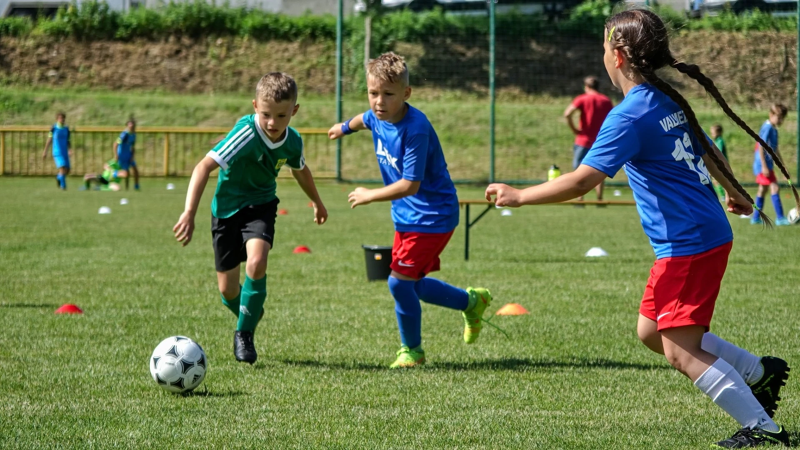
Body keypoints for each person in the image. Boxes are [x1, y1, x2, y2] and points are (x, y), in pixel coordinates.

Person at [485, 10, 794, 448]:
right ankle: (758, 372)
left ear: (617, 55)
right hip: (701, 235)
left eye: (602, 48)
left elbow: (583, 180)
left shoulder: (629, 116)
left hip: (687, 244)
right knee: (651, 331)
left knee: (680, 350)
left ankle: (761, 426)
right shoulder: (664, 97)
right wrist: (734, 190)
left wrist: (519, 195)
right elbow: (705, 146)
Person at [327, 52, 492, 369]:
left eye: (388, 94)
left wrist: (369, 195)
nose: (379, 101)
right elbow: (365, 119)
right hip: (407, 216)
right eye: (373, 93)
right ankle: (472, 301)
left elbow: (410, 185)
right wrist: (344, 127)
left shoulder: (415, 128)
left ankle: (412, 352)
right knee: (412, 283)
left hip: (433, 215)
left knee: (399, 283)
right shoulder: (378, 115)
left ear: (406, 93)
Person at [172, 72, 328, 364]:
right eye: (266, 114)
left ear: (294, 111)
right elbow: (203, 167)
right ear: (255, 106)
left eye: (281, 116)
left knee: (257, 262)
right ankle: (251, 309)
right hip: (226, 211)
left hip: (261, 206)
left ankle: (243, 334)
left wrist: (317, 202)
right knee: (227, 291)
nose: (272, 123)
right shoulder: (245, 134)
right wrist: (189, 212)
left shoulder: (292, 141)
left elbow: (300, 169)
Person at [563, 76, 613, 202]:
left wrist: (574, 129)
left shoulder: (582, 98)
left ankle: (580, 198)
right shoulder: (606, 100)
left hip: (583, 140)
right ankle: (599, 198)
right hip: (600, 140)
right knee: (599, 169)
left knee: (578, 170)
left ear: (586, 86)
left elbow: (567, 113)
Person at [751, 104, 789, 226]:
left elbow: (775, 149)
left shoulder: (774, 129)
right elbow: (760, 146)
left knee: (762, 190)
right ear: (771, 115)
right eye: (779, 117)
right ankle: (780, 218)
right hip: (763, 165)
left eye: (782, 118)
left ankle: (755, 218)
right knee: (774, 187)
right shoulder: (767, 127)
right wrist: (764, 166)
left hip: (767, 165)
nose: (781, 121)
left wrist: (782, 166)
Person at [41, 112, 72, 190]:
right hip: (57, 151)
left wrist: (69, 149)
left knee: (67, 170)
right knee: (62, 168)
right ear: (57, 119)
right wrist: (45, 151)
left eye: (63, 118)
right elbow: (49, 139)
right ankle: (63, 186)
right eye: (60, 118)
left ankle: (59, 177)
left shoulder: (66, 129)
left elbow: (68, 140)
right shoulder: (53, 128)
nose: (62, 119)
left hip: (65, 152)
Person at [113, 118, 139, 191]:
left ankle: (136, 186)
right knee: (126, 173)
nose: (131, 126)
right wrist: (116, 155)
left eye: (132, 124)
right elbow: (115, 144)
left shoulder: (134, 135)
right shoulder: (124, 134)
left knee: (135, 170)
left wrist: (132, 156)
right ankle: (114, 174)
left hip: (129, 155)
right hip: (122, 156)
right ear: (127, 125)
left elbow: (132, 147)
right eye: (130, 124)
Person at [710, 124, 728, 199]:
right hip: (718, 163)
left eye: (713, 133)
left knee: (717, 181)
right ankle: (721, 196)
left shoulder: (720, 141)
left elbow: (718, 153)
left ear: (719, 132)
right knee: (715, 181)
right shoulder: (717, 141)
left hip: (720, 164)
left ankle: (723, 196)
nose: (712, 135)